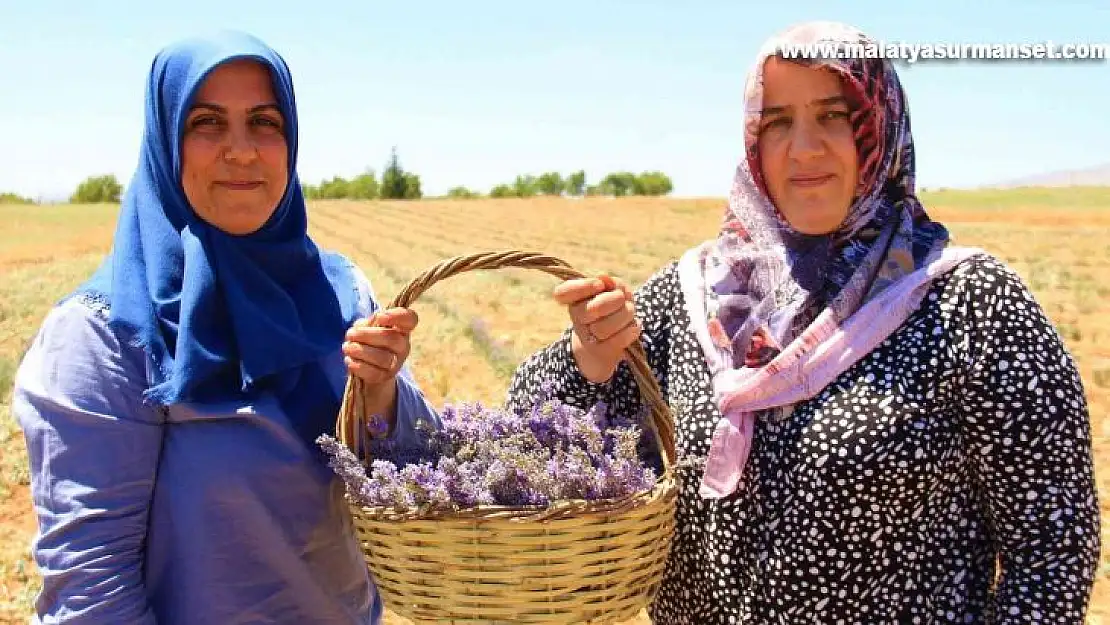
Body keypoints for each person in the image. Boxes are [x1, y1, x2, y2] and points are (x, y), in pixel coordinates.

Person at [506, 20, 1100, 624]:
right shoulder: (691, 298)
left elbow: (1052, 547)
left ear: (879, 126)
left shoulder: (969, 304)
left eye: (834, 116)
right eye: (778, 122)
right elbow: (528, 437)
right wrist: (589, 357)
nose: (805, 149)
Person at [11, 31, 440, 624]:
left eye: (264, 122)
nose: (241, 150)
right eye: (207, 122)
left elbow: (422, 466)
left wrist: (384, 392)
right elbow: (92, 585)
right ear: (166, 141)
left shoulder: (342, 293)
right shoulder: (106, 334)